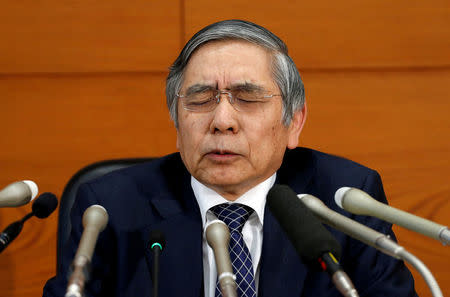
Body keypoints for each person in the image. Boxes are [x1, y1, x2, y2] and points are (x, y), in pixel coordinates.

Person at [43, 20, 417, 297]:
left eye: (248, 97)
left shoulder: (344, 199)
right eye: (201, 99)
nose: (222, 121)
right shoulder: (111, 208)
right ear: (176, 120)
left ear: (293, 123)